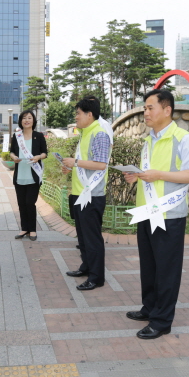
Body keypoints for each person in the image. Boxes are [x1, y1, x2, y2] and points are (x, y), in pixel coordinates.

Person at [123, 89, 189, 339]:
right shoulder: (149, 140)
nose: (145, 112)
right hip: (147, 213)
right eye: (144, 108)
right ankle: (149, 308)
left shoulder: (184, 139)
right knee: (149, 266)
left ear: (167, 110)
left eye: (150, 107)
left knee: (166, 269)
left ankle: (161, 321)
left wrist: (158, 174)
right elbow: (149, 175)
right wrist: (134, 177)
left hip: (170, 215)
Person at [63, 97, 111, 291]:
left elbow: (101, 164)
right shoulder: (85, 133)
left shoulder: (99, 133)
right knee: (82, 237)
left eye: (78, 113)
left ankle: (96, 277)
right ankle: (86, 267)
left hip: (92, 194)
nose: (76, 117)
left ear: (89, 114)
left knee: (92, 238)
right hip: (80, 193)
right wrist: (71, 167)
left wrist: (74, 162)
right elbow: (85, 162)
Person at [9, 110, 48, 241]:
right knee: (21, 204)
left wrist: (38, 157)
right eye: (24, 118)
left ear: (33, 121)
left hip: (33, 176)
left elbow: (45, 153)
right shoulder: (17, 136)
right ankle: (24, 228)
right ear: (20, 121)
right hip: (20, 176)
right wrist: (14, 157)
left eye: (29, 118)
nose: (27, 120)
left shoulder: (39, 136)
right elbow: (12, 151)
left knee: (30, 203)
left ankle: (32, 230)